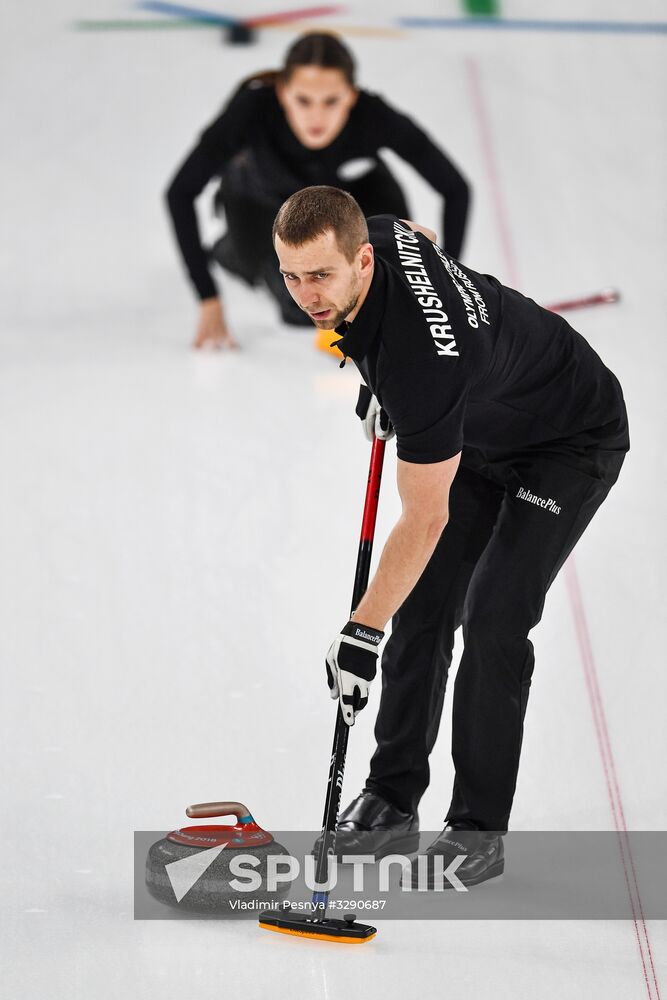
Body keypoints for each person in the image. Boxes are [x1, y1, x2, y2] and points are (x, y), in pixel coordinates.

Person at [272, 185, 629, 889]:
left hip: (566, 441)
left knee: (493, 616)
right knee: (424, 605)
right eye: (291, 275)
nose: (305, 294)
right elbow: (421, 233)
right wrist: (379, 384)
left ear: (362, 261)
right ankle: (391, 797)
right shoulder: (374, 231)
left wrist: (357, 635)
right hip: (475, 427)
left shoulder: (422, 367)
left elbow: (424, 517)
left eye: (321, 276)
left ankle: (476, 831)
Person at [165, 32, 470, 349]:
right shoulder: (252, 111)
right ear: (283, 93)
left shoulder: (373, 116)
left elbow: (455, 188)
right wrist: (208, 297)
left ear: (351, 97)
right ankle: (228, 252)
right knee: (298, 306)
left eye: (331, 101)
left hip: (349, 195)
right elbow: (180, 192)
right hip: (261, 201)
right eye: (303, 100)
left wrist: (442, 286)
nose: (317, 116)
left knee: (391, 274)